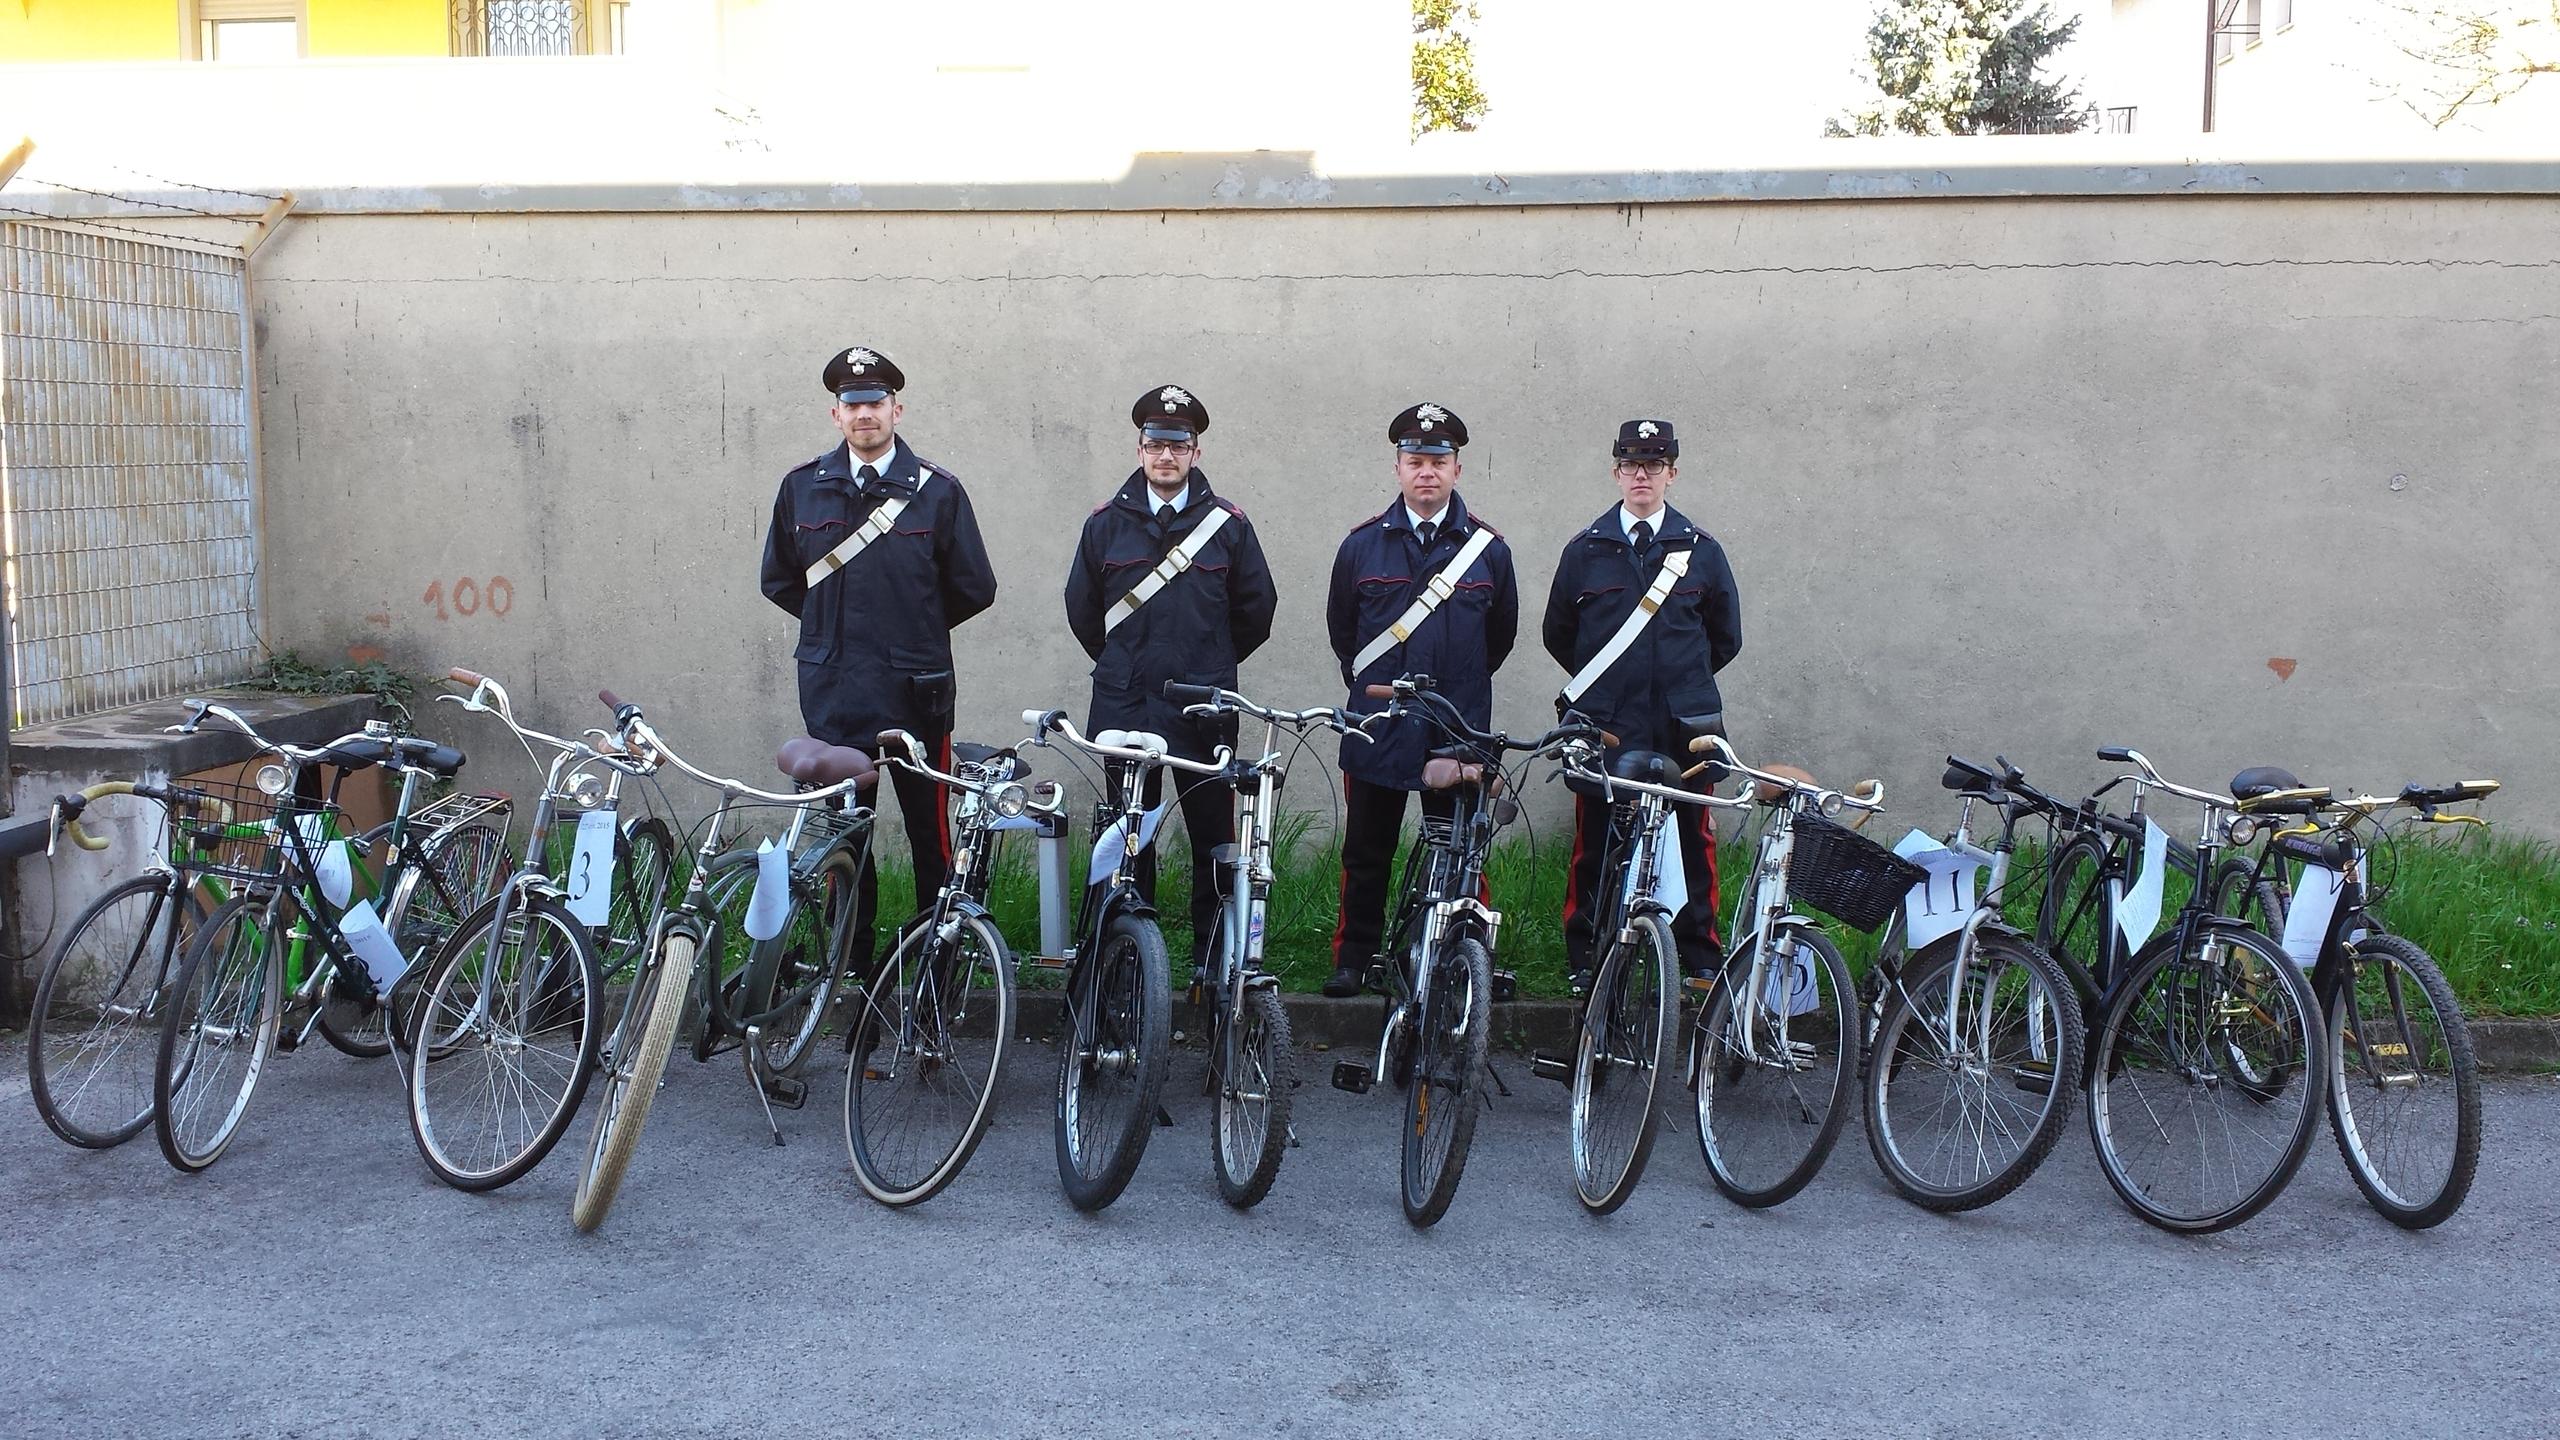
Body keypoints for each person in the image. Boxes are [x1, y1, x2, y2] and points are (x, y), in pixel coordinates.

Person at [760, 344, 998, 971]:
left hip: (916, 695)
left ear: (897, 409)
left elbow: (975, 587)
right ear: (835, 415)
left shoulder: (939, 493)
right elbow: (781, 581)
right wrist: (833, 637)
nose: (864, 413)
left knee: (931, 841)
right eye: (851, 404)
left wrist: (908, 630)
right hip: (836, 695)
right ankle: (851, 973)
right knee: (844, 842)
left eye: (875, 403)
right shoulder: (800, 489)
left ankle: (929, 977)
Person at [1064, 384, 1277, 975]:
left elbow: (1255, 611)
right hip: (1125, 707)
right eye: (1156, 444)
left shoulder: (1227, 526)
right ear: (1140, 450)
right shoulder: (1105, 526)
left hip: (1202, 711)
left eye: (1177, 446)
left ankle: (1212, 968)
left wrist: (1206, 665)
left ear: (1196, 452)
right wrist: (1124, 665)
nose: (1166, 456)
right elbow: (1084, 611)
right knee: (1130, 843)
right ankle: (1130, 966)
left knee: (1214, 842)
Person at [1323, 402, 1519, 998]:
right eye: (1415, 461)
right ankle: (1354, 958)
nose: (1426, 472)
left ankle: (1457, 959)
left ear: (1458, 468)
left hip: (1455, 727)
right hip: (1379, 723)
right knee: (1366, 853)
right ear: (1398, 467)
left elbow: (1499, 638)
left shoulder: (1489, 551)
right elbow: (1343, 632)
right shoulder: (1361, 546)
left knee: (1458, 852)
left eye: (1438, 461)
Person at [1542, 418, 1741, 987]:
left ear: (1671, 474)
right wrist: (1612, 687)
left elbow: (1724, 638)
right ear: (1616, 472)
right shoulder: (1585, 551)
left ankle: (1699, 955)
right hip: (1607, 721)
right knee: (1596, 837)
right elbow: (1560, 634)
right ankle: (1587, 954)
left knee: (1693, 835)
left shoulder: (1701, 552)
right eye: (1631, 465)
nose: (1641, 475)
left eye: (1654, 465)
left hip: (1684, 722)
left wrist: (1678, 682)